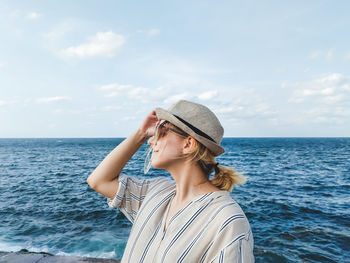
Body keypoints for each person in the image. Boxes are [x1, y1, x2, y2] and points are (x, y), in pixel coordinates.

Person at [87, 100, 254, 262]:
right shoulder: (155, 191)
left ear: (188, 144)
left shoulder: (227, 220)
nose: (151, 141)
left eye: (162, 132)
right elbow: (99, 181)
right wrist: (140, 133)